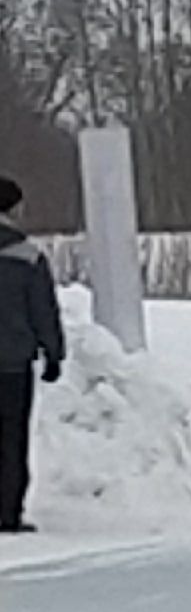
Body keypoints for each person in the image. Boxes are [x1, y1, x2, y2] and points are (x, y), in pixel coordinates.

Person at [0, 176, 65, 534]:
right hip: (12, 362)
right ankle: (7, 513)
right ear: (13, 209)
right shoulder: (28, 255)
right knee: (12, 437)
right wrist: (54, 353)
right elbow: (43, 310)